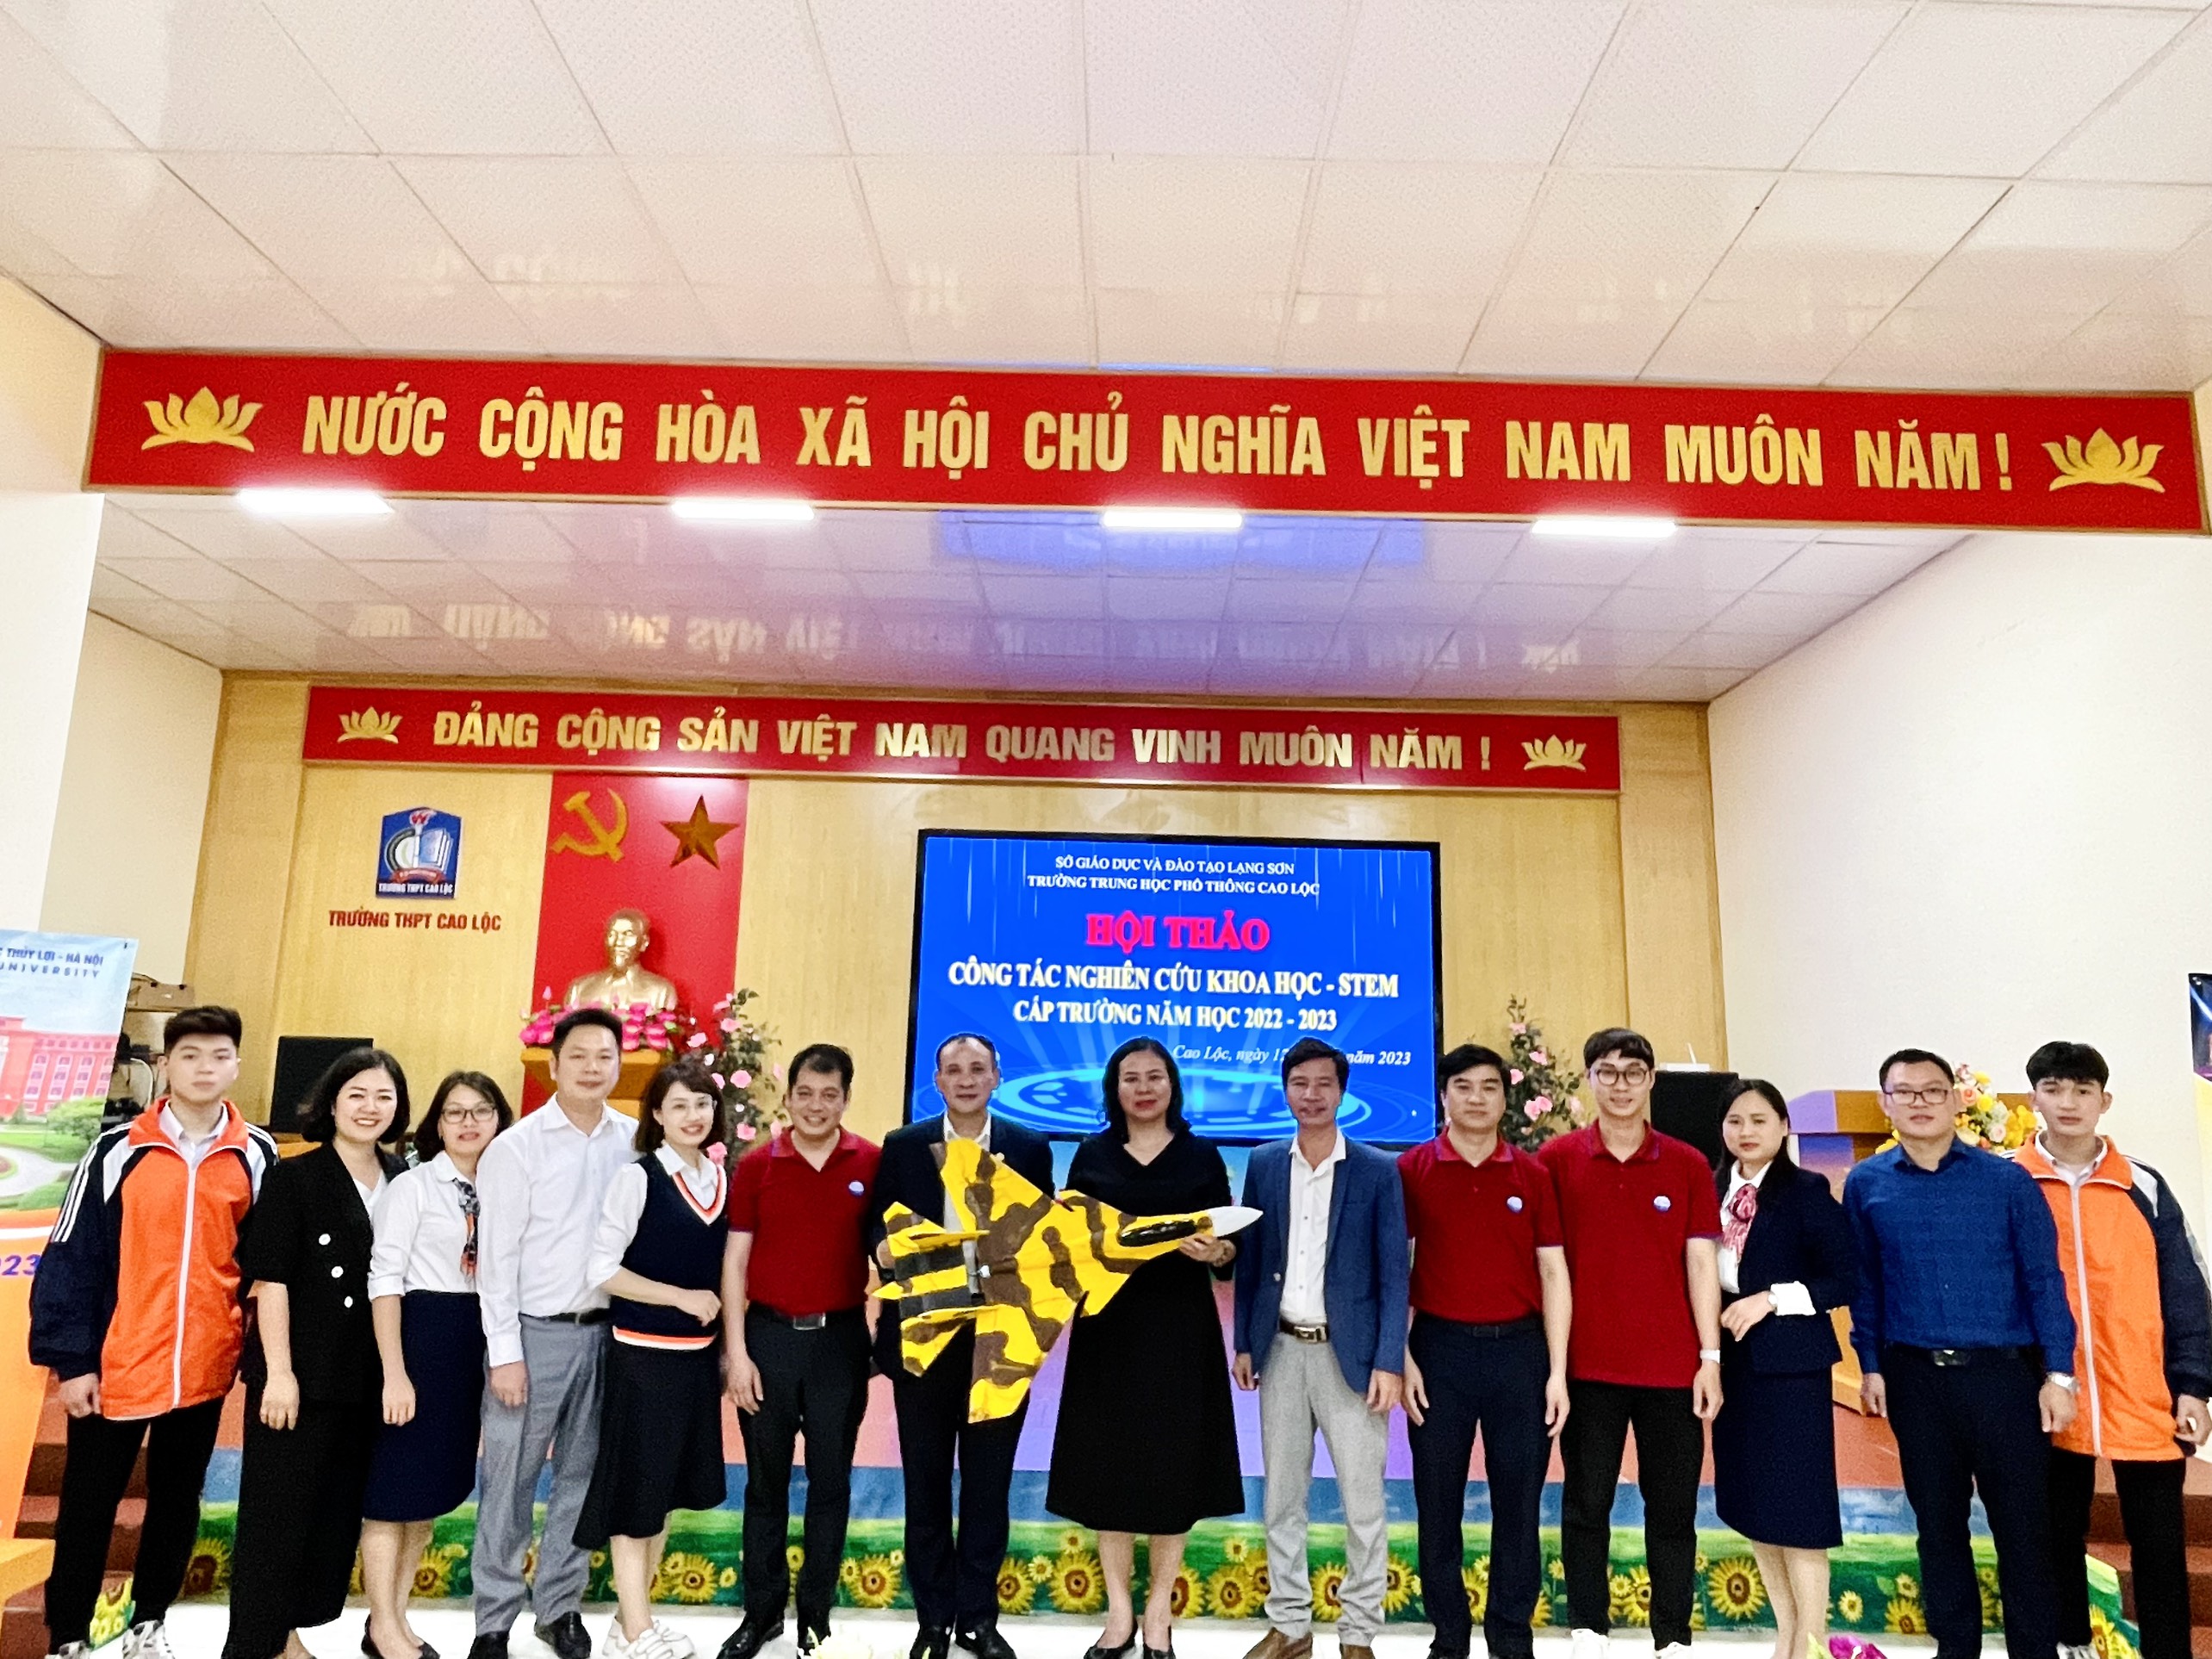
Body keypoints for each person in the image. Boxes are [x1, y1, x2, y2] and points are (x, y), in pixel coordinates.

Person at [32, 1007, 276, 1659]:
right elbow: (70, 1256)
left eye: (219, 1056)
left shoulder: (257, 1153)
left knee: (176, 1502)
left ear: (237, 1065)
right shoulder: (117, 1150)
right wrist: (73, 1362)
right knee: (89, 1504)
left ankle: (149, 1624)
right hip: (117, 1362)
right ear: (166, 1065)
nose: (205, 1068)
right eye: (190, 1055)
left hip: (202, 1364)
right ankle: (69, 1636)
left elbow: (266, 1266)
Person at [1845, 1047, 2078, 1659]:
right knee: (1938, 1526)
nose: (1919, 1103)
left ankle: (2035, 1650)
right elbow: (1866, 1284)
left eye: (1932, 1091)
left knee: (2023, 1528)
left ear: (1954, 1099)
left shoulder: (2007, 1181)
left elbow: (2043, 1279)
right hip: (1915, 1379)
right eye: (1905, 1092)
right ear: (1886, 1103)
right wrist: (1870, 1365)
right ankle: (1956, 1648)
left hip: (2005, 1379)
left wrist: (2060, 1373)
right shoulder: (1867, 1184)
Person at [2012, 1041, 2212, 1659]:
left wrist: (2194, 1384)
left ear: (2105, 1101)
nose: (2068, 1103)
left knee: (2160, 1546)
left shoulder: (2143, 1185)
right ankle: (2071, 1644)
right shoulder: (2009, 1182)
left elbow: (2186, 1288)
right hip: (2050, 1393)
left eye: (2082, 1090)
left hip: (2142, 1391)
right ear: (2034, 1098)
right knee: (2054, 1537)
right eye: (2053, 1089)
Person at [1047, 1037, 1243, 1659]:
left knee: (1173, 1472)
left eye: (1154, 1077)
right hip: (1107, 1331)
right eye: (1130, 1078)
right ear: (1115, 1088)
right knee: (1109, 1471)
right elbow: (1068, 1247)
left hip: (1181, 1332)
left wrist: (1216, 1252)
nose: (1143, 1088)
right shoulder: (1092, 1154)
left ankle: (1159, 1615)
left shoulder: (1201, 1156)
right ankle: (1119, 1615)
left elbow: (1228, 1246)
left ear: (1172, 1085)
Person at [866, 1035, 1055, 1659]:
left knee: (987, 1488)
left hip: (1001, 1339)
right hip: (925, 1332)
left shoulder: (1028, 1147)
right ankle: (932, 1622)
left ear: (997, 1077)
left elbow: (1044, 1239)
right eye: (954, 1070)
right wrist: (884, 1250)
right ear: (938, 1080)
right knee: (924, 1486)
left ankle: (977, 1620)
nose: (967, 1079)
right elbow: (876, 1232)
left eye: (978, 1069)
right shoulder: (904, 1145)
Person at [1536, 1027, 1723, 1659]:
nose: (1621, 1085)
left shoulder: (1687, 1163)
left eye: (1633, 1073)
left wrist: (1709, 1358)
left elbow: (1701, 1263)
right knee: (1586, 1504)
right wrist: (1555, 1367)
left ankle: (1673, 1636)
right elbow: (1548, 1268)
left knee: (1671, 1510)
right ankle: (1588, 1628)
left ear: (1651, 1081)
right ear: (1589, 1079)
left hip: (1671, 1370)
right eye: (1608, 1072)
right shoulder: (1556, 1160)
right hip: (1588, 1368)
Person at [224, 1048, 410, 1659]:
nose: (369, 1108)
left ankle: (290, 1636)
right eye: (357, 1094)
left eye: (383, 1097)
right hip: (299, 1374)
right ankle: (258, 1644)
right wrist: (279, 1372)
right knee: (276, 1515)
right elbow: (271, 1280)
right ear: (331, 1103)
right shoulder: (295, 1176)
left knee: (330, 1513)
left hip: (364, 1377)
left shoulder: (404, 1177)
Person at [1232, 1039, 1407, 1659]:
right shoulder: (1263, 1163)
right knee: (1282, 1499)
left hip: (1352, 1359)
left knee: (1363, 1504)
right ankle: (1290, 1627)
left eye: (1323, 1084)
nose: (1311, 1095)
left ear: (1342, 1091)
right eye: (1299, 1084)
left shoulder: (1378, 1169)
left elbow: (1394, 1274)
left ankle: (1358, 1633)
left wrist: (1389, 1360)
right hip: (1280, 1350)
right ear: (1285, 1091)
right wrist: (1244, 1342)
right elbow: (1252, 1261)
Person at [471, 1008, 639, 1659]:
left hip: (609, 1335)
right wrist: (505, 1354)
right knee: (509, 1481)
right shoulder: (517, 1147)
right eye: (579, 1056)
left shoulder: (635, 1141)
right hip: (534, 1337)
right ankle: (493, 1619)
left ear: (619, 1064)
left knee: (582, 1478)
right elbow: (496, 1262)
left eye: (605, 1056)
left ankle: (559, 1608)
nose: (592, 1068)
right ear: (554, 1065)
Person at [1397, 1044, 1571, 1659]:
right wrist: (1402, 1357)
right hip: (1437, 1353)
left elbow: (1554, 1272)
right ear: (1443, 1095)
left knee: (1519, 1502)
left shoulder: (1532, 1175)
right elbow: (1395, 1271)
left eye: (1489, 1087)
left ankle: (1510, 1636)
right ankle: (1448, 1636)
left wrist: (1557, 1371)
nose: (1476, 1098)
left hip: (1520, 1355)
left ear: (1505, 1097)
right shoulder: (1411, 1170)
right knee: (1437, 1500)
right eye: (1463, 1087)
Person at [718, 1044, 881, 1659]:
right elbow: (735, 1262)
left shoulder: (872, 1161)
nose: (816, 1106)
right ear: (787, 1098)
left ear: (846, 1098)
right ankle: (761, 1615)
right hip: (767, 1341)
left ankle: (816, 1617)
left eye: (829, 1094)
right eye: (805, 1093)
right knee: (765, 1486)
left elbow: (890, 1248)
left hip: (840, 1343)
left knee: (831, 1483)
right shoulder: (758, 1165)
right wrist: (737, 1353)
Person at [576, 1059, 733, 1659]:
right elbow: (602, 1271)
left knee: (664, 1492)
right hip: (643, 1359)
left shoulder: (720, 1179)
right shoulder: (638, 1178)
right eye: (679, 1105)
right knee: (635, 1492)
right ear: (658, 1115)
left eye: (702, 1103)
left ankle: (630, 1620)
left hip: (697, 1362)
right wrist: (680, 1298)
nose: (693, 1116)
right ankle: (637, 1630)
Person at [361, 1072, 513, 1659]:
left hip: (469, 1346)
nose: (469, 1123)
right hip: (417, 1340)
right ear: (437, 1124)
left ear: (499, 1120)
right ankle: (382, 1626)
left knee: (426, 1497)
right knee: (391, 1493)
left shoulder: (505, 1189)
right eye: (455, 1112)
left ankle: (393, 1619)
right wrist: (394, 1373)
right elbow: (385, 1280)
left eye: (481, 1111)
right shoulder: (414, 1186)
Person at [1708, 1080, 1855, 1659]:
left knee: (1799, 1509)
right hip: (1732, 1367)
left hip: (1791, 1369)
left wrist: (1772, 1299)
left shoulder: (1807, 1191)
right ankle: (1786, 1634)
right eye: (1735, 1121)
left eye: (1759, 1120)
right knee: (1755, 1506)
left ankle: (1811, 1642)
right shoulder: (1710, 1188)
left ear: (1784, 1127)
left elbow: (1844, 1279)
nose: (1746, 1131)